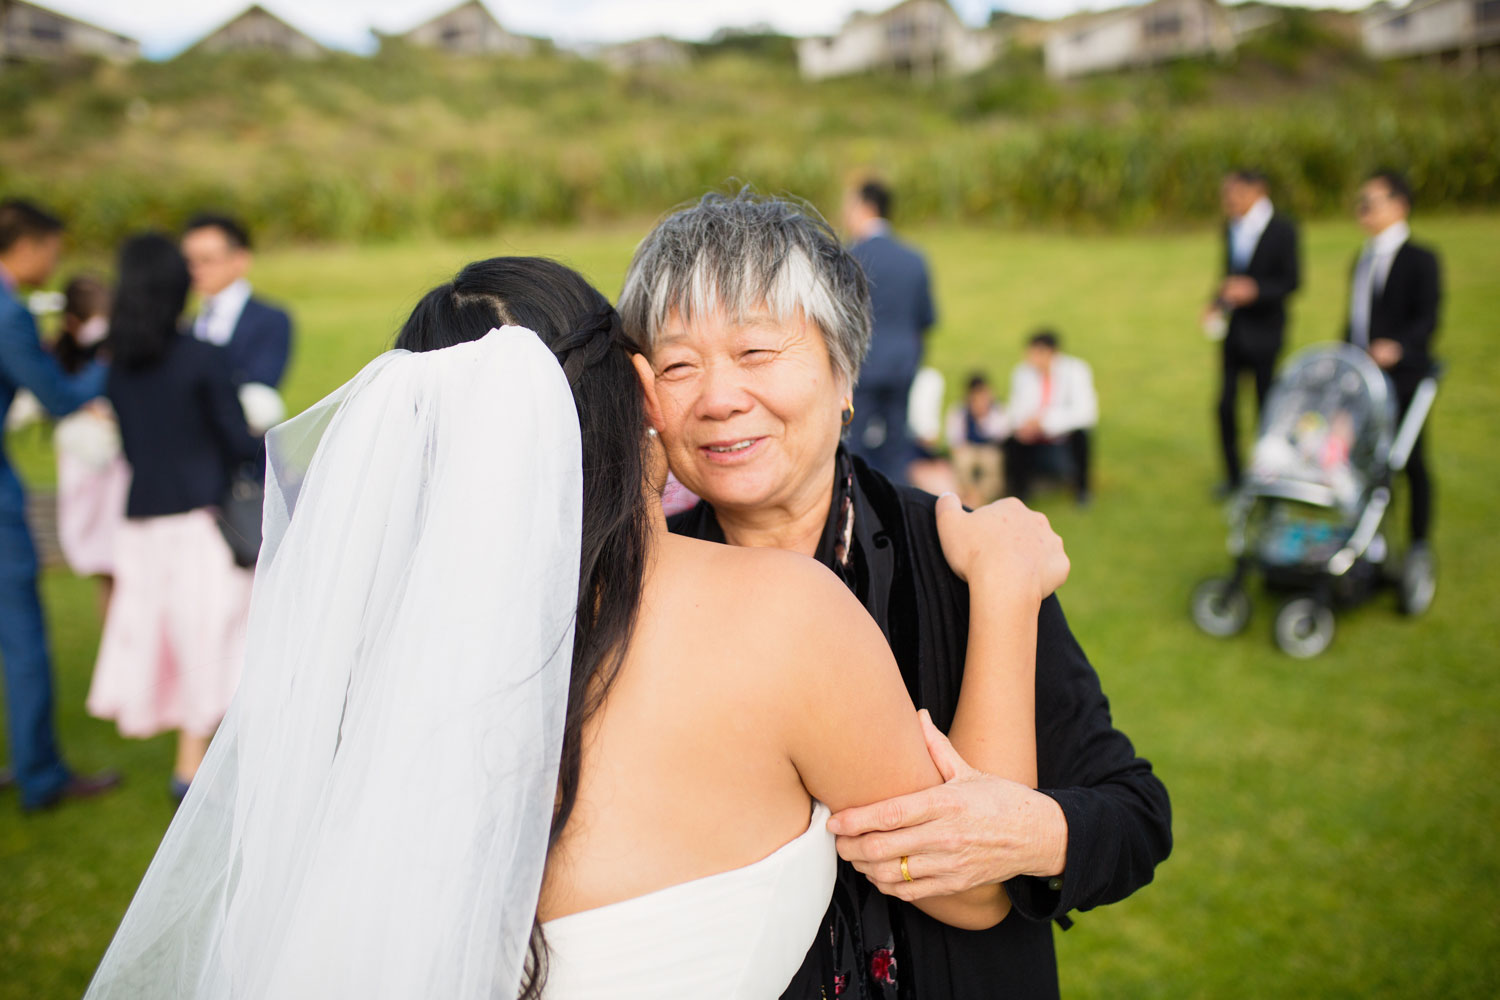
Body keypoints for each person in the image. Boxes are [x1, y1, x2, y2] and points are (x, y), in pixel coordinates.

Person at [85, 256, 1070, 999]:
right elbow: (974, 887)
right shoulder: (782, 615)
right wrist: (1007, 589)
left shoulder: (373, 665)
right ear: (644, 395)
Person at [622, 191, 1171, 1000]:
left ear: (845, 372)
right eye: (678, 365)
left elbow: (1134, 814)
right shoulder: (642, 590)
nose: (717, 397)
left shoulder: (969, 560)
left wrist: (1032, 830)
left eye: (757, 352)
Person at [86, 234, 262, 802]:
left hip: (142, 525)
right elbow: (236, 440)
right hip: (201, 523)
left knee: (180, 642)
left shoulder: (116, 367)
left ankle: (195, 766)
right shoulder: (200, 356)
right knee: (217, 642)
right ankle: (195, 772)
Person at [0, 198, 121, 811]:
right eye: (52, 247)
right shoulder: (8, 313)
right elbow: (60, 395)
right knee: (22, 639)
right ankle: (41, 776)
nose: (54, 260)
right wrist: (108, 359)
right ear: (27, 246)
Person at [1345, 169, 1440, 555]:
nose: (1363, 210)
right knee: (1361, 457)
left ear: (1399, 206)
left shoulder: (1420, 259)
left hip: (1404, 377)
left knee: (1409, 459)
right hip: (1362, 377)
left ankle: (1418, 542)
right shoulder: (1361, 259)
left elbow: (1428, 319)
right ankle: (1368, 538)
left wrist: (1398, 347)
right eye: (1360, 202)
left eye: (1372, 202)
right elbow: (1353, 319)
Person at [1206, 169, 1300, 497]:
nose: (1229, 201)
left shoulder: (1283, 229)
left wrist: (1255, 291)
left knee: (1266, 406)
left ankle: (1268, 477)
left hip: (1266, 332)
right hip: (1235, 333)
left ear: (1257, 190)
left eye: (1235, 193)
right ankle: (1233, 478)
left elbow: (1292, 281)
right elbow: (1229, 274)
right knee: (1225, 406)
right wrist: (1216, 302)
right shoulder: (1230, 227)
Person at [842, 179, 936, 483]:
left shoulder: (849, 258)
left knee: (851, 443)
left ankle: (854, 509)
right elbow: (926, 318)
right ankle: (897, 515)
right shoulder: (914, 259)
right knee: (897, 444)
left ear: (866, 207)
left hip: (861, 367)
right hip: (902, 365)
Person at [52, 274, 130, 619]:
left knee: (121, 570)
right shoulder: (67, 356)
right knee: (110, 565)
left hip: (117, 469)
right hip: (91, 469)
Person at [181, 213, 293, 389]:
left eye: (206, 260)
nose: (196, 270)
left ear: (240, 260)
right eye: (188, 262)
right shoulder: (186, 322)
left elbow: (262, 386)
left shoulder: (270, 320)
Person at [1004, 330, 1097, 506]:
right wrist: (1025, 424)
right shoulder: (1022, 373)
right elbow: (1015, 408)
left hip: (1062, 432)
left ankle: (1082, 491)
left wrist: (1045, 422)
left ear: (1051, 353)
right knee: (1011, 441)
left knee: (1082, 437)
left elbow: (1085, 412)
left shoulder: (1076, 371)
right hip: (1033, 433)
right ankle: (1019, 492)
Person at [946, 371, 1009, 508]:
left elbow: (1001, 435)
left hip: (989, 449)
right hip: (969, 448)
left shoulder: (997, 411)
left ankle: (982, 496)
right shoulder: (960, 412)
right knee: (963, 461)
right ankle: (967, 494)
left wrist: (982, 418)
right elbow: (955, 440)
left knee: (991, 461)